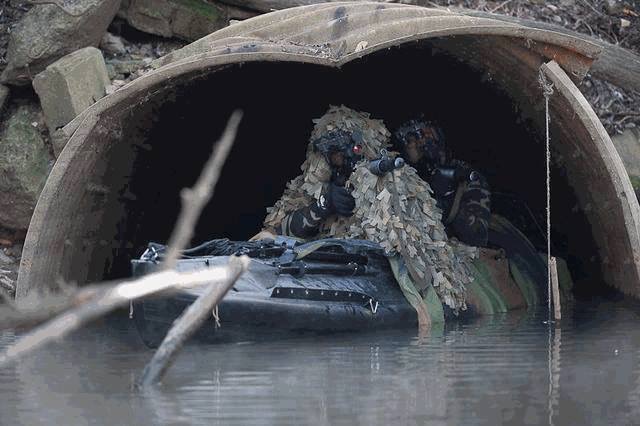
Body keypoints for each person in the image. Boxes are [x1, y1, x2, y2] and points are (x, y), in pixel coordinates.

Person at [393, 118, 491, 247]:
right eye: (410, 140)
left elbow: (478, 236)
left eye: (423, 135)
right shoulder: (406, 175)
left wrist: (449, 200)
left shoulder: (465, 176)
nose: (419, 143)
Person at [275, 128, 359, 238]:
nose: (339, 159)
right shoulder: (313, 185)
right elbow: (277, 232)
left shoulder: (372, 172)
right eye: (334, 155)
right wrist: (323, 204)